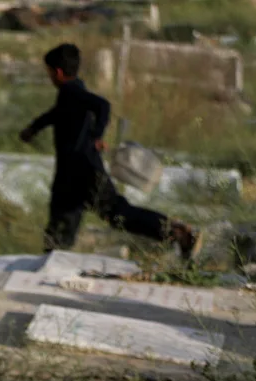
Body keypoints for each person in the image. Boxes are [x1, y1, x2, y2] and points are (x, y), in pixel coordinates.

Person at [19, 43, 197, 258]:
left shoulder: (71, 92)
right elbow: (54, 114)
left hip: (83, 172)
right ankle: (50, 262)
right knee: (61, 229)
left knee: (118, 214)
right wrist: (33, 128)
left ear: (57, 72)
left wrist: (96, 135)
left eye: (49, 73)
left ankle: (178, 233)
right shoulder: (72, 93)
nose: (49, 78)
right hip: (72, 175)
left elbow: (102, 105)